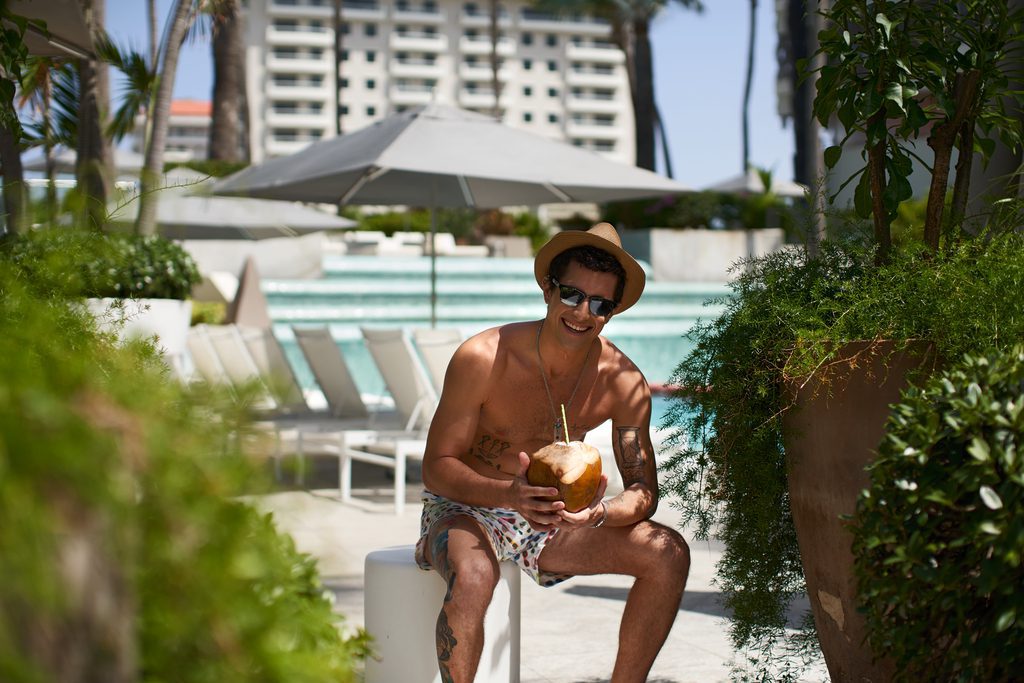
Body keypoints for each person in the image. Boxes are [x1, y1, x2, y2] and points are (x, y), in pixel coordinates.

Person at [416, 222, 691, 683]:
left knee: (669, 553)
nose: (583, 312)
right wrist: (509, 496)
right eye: (572, 295)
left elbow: (645, 491)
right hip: (469, 507)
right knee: (476, 575)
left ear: (613, 311)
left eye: (601, 304)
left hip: (555, 524)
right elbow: (436, 467)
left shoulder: (623, 382)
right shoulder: (484, 357)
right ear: (548, 289)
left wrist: (599, 514)